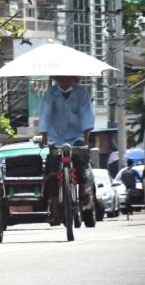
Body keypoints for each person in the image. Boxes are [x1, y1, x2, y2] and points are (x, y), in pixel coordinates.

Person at [38, 76, 95, 225]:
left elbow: (86, 114)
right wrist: (43, 135)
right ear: (57, 79)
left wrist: (86, 138)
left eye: (68, 79)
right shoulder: (51, 93)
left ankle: (82, 189)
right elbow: (46, 113)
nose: (64, 82)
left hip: (76, 136)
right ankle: (55, 207)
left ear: (73, 79)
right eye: (61, 79)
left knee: (80, 157)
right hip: (56, 137)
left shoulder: (82, 93)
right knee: (52, 167)